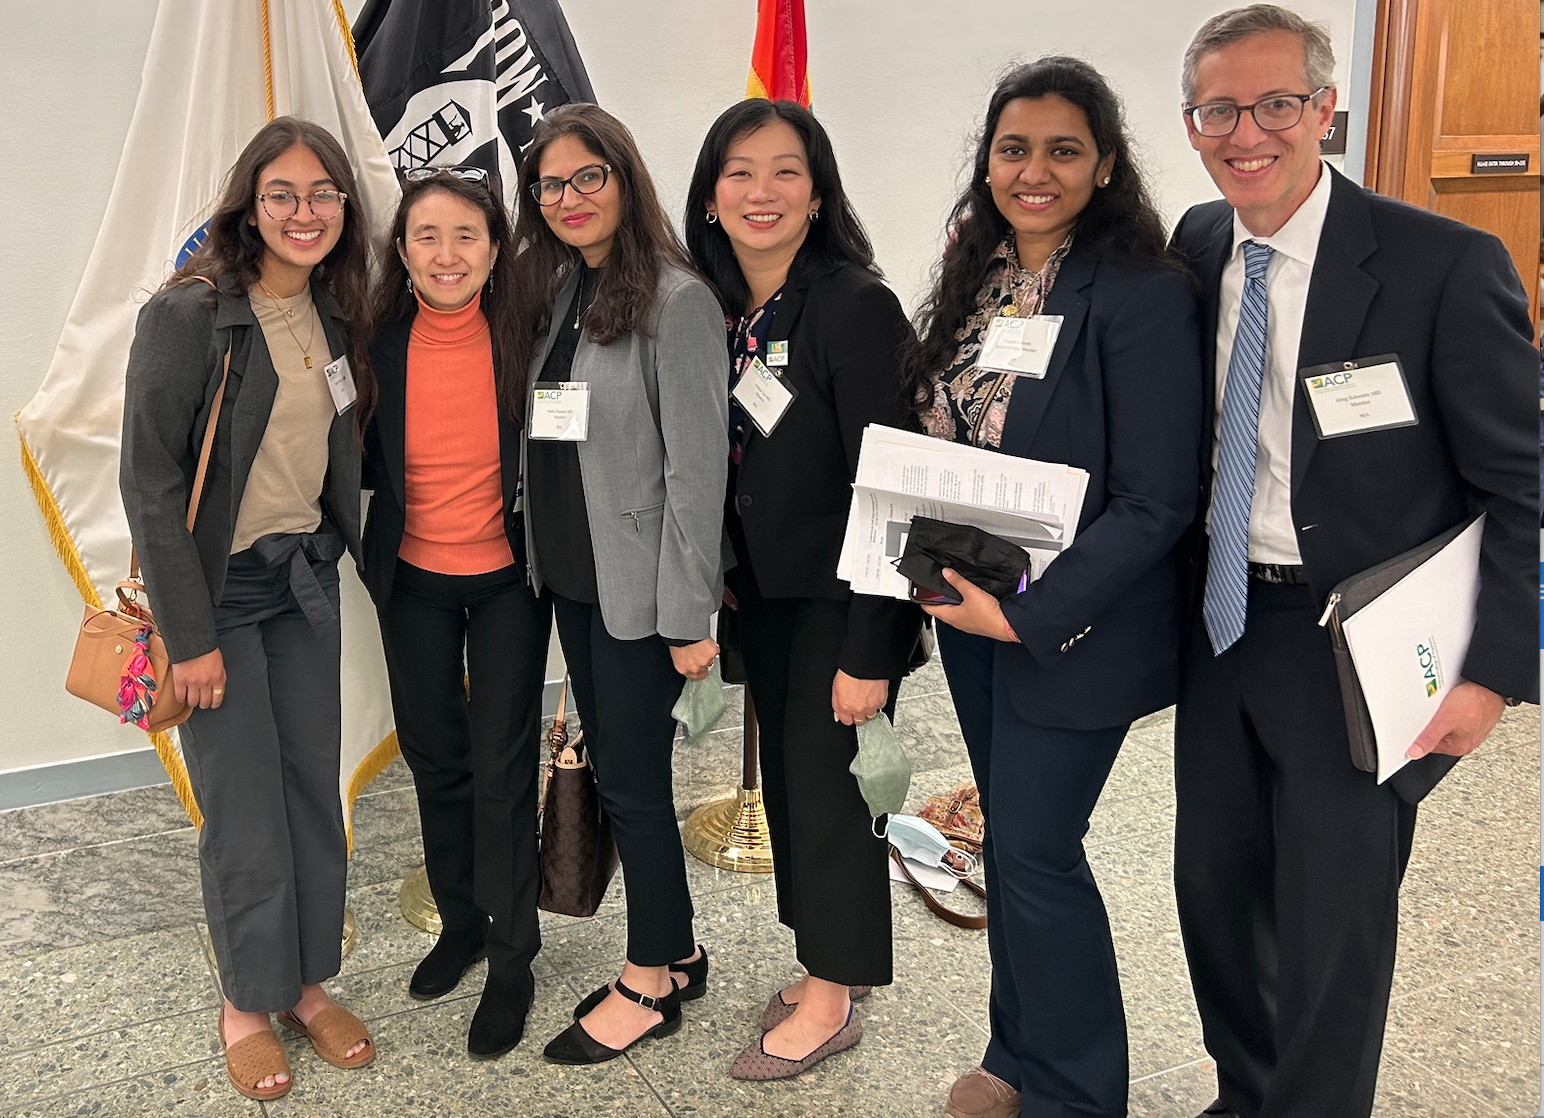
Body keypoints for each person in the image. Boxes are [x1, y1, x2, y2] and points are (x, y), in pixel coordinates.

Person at [1167, 8, 1538, 1117]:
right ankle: (1246, 1094)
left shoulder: (1441, 264)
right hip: (1224, 624)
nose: (1247, 132)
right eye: (1218, 109)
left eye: (1275, 103)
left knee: (1335, 917)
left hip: (1362, 642)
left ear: (1324, 111)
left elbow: (1523, 486)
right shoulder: (1192, 244)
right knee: (1214, 894)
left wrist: (1492, 673)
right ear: (1191, 124)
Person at [902, 59, 1204, 1118]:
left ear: (1104, 164)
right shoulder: (972, 274)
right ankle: (1016, 1052)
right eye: (1012, 148)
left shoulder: (1140, 293)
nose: (1034, 171)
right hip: (965, 609)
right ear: (986, 162)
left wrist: (1025, 614)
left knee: (1034, 847)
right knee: (1011, 844)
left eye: (1061, 150)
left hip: (1066, 627)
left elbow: (1157, 500)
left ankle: (1076, 1094)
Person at [120, 117, 375, 1101]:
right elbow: (149, 480)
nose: (304, 212)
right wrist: (189, 636)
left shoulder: (334, 313)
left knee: (313, 784)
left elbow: (335, 457)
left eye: (322, 194)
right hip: (218, 595)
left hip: (303, 583)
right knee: (242, 809)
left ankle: (304, 982)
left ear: (343, 211)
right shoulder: (190, 316)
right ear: (248, 205)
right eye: (283, 194)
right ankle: (244, 1000)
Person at [682, 98, 922, 1081]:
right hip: (769, 597)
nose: (760, 192)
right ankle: (826, 959)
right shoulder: (728, 309)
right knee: (792, 784)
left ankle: (830, 997)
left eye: (784, 171)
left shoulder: (851, 304)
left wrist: (873, 646)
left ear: (818, 193)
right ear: (708, 195)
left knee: (827, 796)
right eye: (739, 172)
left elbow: (894, 484)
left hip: (841, 601)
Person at [503, 103, 729, 1066]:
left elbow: (696, 470)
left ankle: (647, 983)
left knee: (634, 783)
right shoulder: (562, 291)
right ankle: (675, 948)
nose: (569, 198)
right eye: (551, 184)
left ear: (624, 179)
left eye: (587, 177)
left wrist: (689, 616)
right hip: (577, 582)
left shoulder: (676, 302)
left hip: (641, 595)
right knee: (623, 777)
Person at [358, 167, 552, 1059]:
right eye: (427, 236)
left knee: (502, 772)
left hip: (510, 578)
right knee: (437, 764)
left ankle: (513, 958)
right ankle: (463, 925)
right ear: (401, 252)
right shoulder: (376, 341)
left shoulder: (529, 335)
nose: (447, 254)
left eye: (466, 235)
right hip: (412, 582)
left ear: (495, 248)